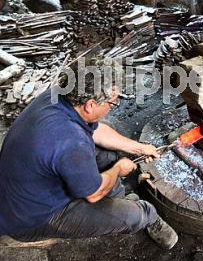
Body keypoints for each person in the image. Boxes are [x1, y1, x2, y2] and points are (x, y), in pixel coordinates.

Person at [0, 59, 178, 250]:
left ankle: (119, 197)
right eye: (112, 102)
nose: (113, 105)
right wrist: (118, 169)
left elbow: (97, 131)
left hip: (28, 184)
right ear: (90, 105)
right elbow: (93, 194)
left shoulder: (57, 97)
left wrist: (139, 147)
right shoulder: (71, 142)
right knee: (132, 215)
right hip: (32, 216)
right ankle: (148, 217)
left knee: (107, 156)